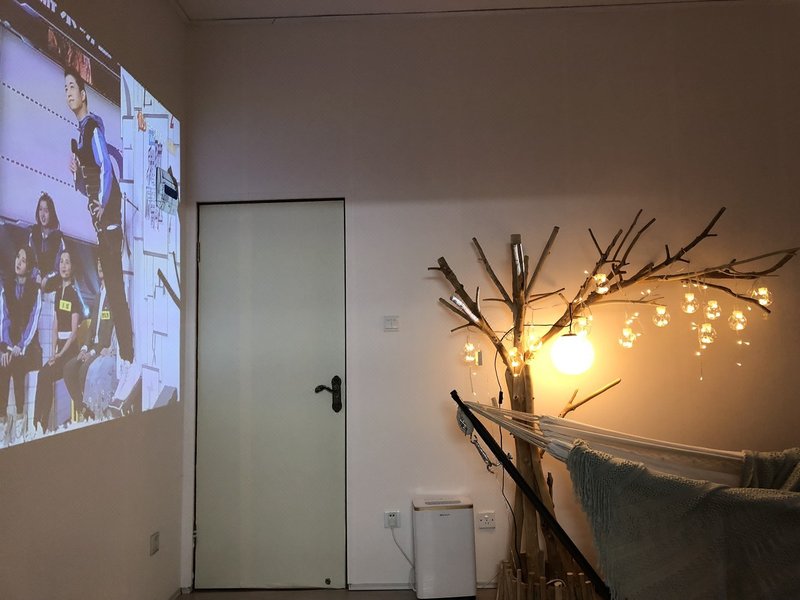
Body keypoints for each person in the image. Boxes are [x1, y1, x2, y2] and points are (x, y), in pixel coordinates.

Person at [65, 66, 138, 411]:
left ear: (83, 94)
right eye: (65, 88)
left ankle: (128, 356)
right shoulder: (80, 134)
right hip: (101, 218)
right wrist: (77, 177)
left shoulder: (92, 126)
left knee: (116, 289)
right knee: (113, 282)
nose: (68, 93)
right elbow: (89, 184)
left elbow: (107, 168)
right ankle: (126, 355)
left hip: (109, 219)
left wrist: (103, 204)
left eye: (72, 87)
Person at [32, 250, 83, 434]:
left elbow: (74, 333)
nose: (63, 265)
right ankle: (38, 424)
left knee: (45, 375)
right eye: (61, 261)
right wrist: (53, 352)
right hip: (59, 350)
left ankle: (42, 424)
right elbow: (55, 326)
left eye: (67, 262)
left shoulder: (74, 294)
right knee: (43, 374)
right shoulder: (57, 293)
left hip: (70, 352)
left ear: (73, 267)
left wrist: (60, 354)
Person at [63, 257, 115, 420]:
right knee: (69, 368)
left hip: (102, 350)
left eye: (103, 262)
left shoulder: (113, 297)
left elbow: (106, 336)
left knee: (84, 370)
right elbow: (92, 328)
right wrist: (84, 348)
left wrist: (91, 353)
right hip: (91, 348)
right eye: (98, 262)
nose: (100, 265)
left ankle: (91, 412)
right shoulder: (98, 295)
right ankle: (84, 410)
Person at [0, 246, 42, 443]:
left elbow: (33, 321)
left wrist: (21, 345)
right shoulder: (6, 286)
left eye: (24, 260)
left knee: (17, 368)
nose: (18, 261)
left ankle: (18, 420)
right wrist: (7, 347)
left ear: (29, 265)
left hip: (28, 346)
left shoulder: (35, 290)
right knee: (2, 365)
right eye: (18, 257)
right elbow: (4, 319)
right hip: (9, 344)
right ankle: (2, 421)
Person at [28, 192, 65, 287]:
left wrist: (47, 278)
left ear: (51, 213)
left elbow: (58, 269)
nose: (42, 214)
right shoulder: (33, 233)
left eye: (46, 211)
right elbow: (28, 260)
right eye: (40, 209)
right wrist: (36, 274)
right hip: (33, 283)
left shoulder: (58, 238)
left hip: (50, 287)